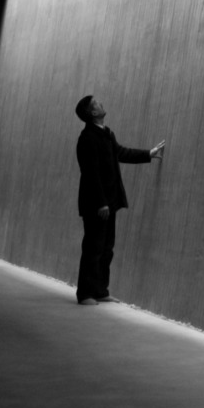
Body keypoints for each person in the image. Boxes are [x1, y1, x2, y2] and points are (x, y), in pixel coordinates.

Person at [73, 94, 165, 306]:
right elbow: (91, 173)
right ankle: (85, 293)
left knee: (106, 248)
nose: (101, 103)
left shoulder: (106, 134)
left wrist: (148, 154)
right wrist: (101, 202)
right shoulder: (87, 138)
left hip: (109, 202)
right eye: (96, 104)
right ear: (92, 113)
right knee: (93, 248)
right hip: (98, 205)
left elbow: (121, 153)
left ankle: (99, 290)